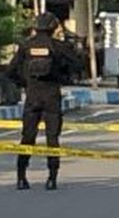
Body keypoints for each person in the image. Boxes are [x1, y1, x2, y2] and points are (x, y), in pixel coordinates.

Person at [7, 12, 81, 191]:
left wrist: (24, 83)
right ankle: (51, 178)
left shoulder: (26, 46)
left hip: (32, 97)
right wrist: (63, 76)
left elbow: (10, 71)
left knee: (27, 137)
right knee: (52, 139)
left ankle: (21, 177)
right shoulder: (58, 46)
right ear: (53, 28)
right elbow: (78, 64)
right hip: (51, 97)